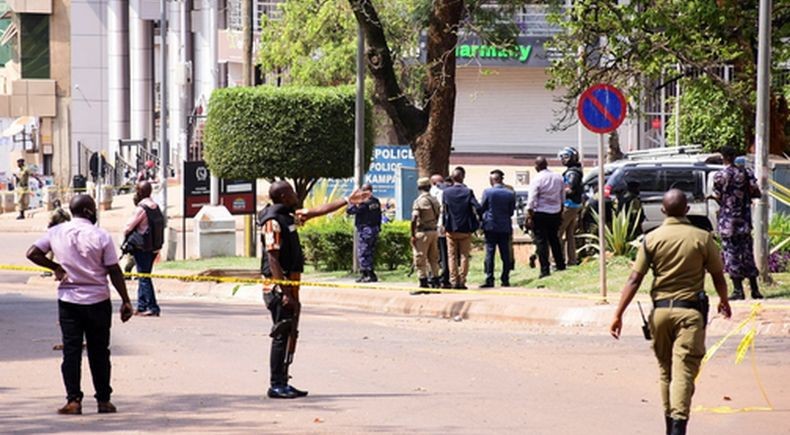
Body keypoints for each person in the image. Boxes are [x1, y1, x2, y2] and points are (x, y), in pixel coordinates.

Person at [610, 189, 731, 435]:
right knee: (684, 370)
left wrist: (618, 314)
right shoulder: (702, 238)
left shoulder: (651, 239)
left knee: (666, 371)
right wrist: (724, 300)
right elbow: (718, 275)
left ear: (663, 210)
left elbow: (634, 279)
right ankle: (678, 427)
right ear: (687, 209)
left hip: (660, 313)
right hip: (690, 313)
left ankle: (669, 426)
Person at [259, 181, 369, 399]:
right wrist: (285, 293)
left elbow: (317, 211)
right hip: (279, 287)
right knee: (281, 333)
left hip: (290, 285)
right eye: (291, 192)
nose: (295, 195)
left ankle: (284, 380)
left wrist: (347, 200)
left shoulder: (287, 216)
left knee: (290, 332)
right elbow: (272, 258)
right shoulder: (272, 221)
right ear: (283, 197)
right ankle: (276, 384)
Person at [26, 194, 134, 415]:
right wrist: (125, 300)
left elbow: (32, 253)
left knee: (71, 351)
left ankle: (73, 401)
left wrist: (55, 267)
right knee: (99, 352)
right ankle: (104, 400)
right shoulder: (101, 235)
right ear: (88, 211)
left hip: (69, 301)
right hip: (98, 300)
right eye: (93, 208)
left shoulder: (56, 232)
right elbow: (114, 270)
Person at [711, 146, 764, 300]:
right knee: (747, 254)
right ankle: (755, 289)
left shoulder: (720, 176)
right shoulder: (746, 173)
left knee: (731, 255)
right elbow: (756, 192)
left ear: (723, 157)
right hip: (744, 221)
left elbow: (718, 196)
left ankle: (738, 290)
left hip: (728, 222)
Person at [123, 181, 164, 316]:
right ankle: (141, 306)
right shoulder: (155, 206)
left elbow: (127, 227)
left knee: (144, 277)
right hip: (154, 247)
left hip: (142, 247)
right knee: (143, 275)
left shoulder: (142, 208)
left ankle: (152, 307)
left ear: (140, 192)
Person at [441, 167, 481, 290]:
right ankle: (462, 281)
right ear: (463, 177)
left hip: (451, 228)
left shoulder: (446, 192)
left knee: (451, 256)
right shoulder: (468, 192)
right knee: (464, 255)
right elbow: (477, 207)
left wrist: (444, 224)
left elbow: (444, 210)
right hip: (465, 228)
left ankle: (453, 281)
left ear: (452, 178)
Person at [526, 156, 566, 278]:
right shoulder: (558, 177)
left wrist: (529, 214)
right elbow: (562, 196)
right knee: (554, 239)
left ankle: (545, 269)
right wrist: (561, 211)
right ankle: (560, 264)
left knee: (541, 242)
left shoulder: (537, 179)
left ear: (537, 166)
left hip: (540, 213)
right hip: (555, 212)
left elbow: (532, 199)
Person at [479, 170, 516, 287]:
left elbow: (482, 208)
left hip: (490, 226)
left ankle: (489, 278)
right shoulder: (510, 193)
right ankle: (505, 279)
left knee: (490, 253)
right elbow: (511, 211)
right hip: (504, 226)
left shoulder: (487, 192)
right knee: (505, 253)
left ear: (493, 180)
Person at [410, 177, 442, 294]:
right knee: (433, 259)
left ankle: (423, 284)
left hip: (422, 233)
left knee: (420, 259)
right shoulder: (434, 200)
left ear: (419, 187)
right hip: (434, 231)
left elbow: (414, 218)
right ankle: (436, 283)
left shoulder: (419, 201)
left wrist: (413, 234)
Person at [346, 183, 381, 283]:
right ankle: (366, 274)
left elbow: (350, 210)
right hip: (374, 229)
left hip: (365, 230)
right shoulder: (375, 201)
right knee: (369, 252)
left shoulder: (364, 203)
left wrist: (351, 201)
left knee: (363, 252)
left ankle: (368, 274)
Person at [557, 147, 584, 266]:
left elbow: (570, 189)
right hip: (575, 205)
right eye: (561, 157)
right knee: (570, 234)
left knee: (557, 233)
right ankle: (572, 260)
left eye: (566, 156)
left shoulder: (572, 172)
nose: (563, 159)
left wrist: (558, 192)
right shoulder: (575, 170)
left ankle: (557, 261)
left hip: (569, 205)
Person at [430, 174, 452, 289]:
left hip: (435, 227)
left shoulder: (431, 193)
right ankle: (443, 278)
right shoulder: (444, 192)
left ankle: (435, 277)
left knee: (435, 254)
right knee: (443, 253)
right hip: (441, 227)